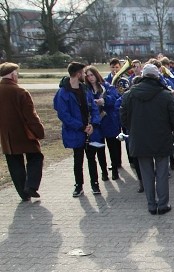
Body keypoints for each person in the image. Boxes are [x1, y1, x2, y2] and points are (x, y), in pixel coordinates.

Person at [120, 63, 174, 215]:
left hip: (140, 140)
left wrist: (134, 129)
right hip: (161, 138)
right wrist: (170, 129)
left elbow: (123, 118)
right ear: (157, 76)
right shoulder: (165, 94)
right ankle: (163, 204)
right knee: (161, 173)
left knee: (146, 173)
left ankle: (151, 205)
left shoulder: (129, 95)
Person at [54, 61, 101, 197]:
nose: (85, 75)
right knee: (78, 159)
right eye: (83, 72)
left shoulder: (85, 89)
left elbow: (93, 108)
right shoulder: (63, 93)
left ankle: (95, 184)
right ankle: (78, 185)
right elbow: (63, 115)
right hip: (76, 132)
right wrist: (81, 127)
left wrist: (93, 124)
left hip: (89, 130)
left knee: (92, 159)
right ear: (78, 73)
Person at [0, 62, 45, 202]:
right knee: (36, 157)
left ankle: (23, 193)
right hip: (24, 133)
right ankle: (31, 185)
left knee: (14, 163)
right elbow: (30, 116)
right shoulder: (20, 92)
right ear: (13, 74)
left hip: (6, 136)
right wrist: (39, 131)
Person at [84, 66, 118, 181]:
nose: (90, 78)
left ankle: (115, 170)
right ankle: (104, 172)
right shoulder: (86, 89)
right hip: (96, 124)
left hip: (108, 121)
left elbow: (115, 98)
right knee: (99, 149)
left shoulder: (106, 86)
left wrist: (104, 100)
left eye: (92, 75)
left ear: (96, 74)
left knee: (112, 147)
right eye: (88, 76)